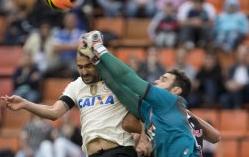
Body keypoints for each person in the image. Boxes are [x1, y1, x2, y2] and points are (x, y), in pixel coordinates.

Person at [78, 30, 220, 157]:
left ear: (176, 91)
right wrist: (95, 60)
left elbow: (127, 76)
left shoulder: (169, 100)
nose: (156, 81)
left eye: (163, 80)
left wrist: (98, 47)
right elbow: (118, 88)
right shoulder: (149, 111)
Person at [1, 52, 142, 157]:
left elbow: (142, 114)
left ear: (98, 64)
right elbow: (54, 112)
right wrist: (25, 104)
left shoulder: (116, 81)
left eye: (88, 66)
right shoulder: (76, 86)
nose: (84, 71)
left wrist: (141, 141)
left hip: (119, 151)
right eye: (80, 67)